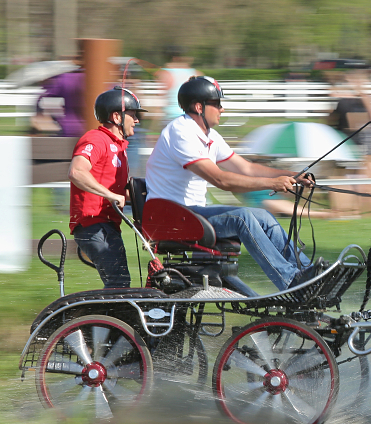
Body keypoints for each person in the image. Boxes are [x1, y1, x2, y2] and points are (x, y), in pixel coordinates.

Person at [145, 76, 323, 291]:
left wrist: (293, 176)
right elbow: (221, 179)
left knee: (263, 216)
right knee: (243, 218)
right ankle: (290, 280)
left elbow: (246, 168)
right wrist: (272, 183)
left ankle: (309, 273)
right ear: (199, 106)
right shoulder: (180, 132)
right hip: (172, 218)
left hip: (190, 214)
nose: (222, 109)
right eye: (217, 104)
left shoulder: (209, 135)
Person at [68, 88, 147, 288]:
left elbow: (120, 193)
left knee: (119, 284)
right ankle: (100, 320)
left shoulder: (119, 147)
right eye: (132, 114)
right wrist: (111, 195)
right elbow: (77, 172)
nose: (137, 120)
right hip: (94, 225)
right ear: (116, 117)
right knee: (118, 284)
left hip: (107, 225)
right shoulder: (96, 139)